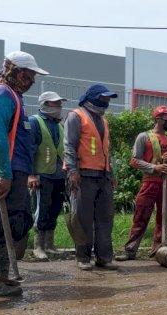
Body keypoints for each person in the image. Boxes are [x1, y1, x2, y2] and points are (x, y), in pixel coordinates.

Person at [0, 51, 48, 296]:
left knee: (19, 219)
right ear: (16, 71)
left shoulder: (13, 95)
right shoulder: (1, 93)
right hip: (3, 168)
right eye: (30, 74)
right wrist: (3, 174)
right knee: (5, 219)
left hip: (16, 167)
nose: (32, 80)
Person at [63, 84, 119, 271]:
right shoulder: (76, 116)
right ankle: (83, 257)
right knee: (82, 218)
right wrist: (72, 170)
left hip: (102, 176)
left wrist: (110, 173)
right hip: (82, 175)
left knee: (105, 217)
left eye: (108, 99)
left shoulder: (103, 121)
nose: (107, 102)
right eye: (104, 98)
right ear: (93, 97)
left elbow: (106, 151)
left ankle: (104, 257)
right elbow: (69, 146)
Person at [116, 106, 167, 261]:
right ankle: (130, 250)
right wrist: (154, 167)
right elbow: (135, 160)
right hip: (150, 182)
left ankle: (158, 251)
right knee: (141, 215)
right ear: (158, 119)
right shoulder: (144, 137)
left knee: (165, 217)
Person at [28, 91, 68, 260]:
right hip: (42, 174)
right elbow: (29, 150)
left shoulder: (59, 124)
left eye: (60, 103)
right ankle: (38, 246)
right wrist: (31, 175)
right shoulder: (34, 122)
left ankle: (50, 244)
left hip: (59, 175)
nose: (59, 107)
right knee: (41, 210)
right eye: (55, 104)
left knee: (54, 209)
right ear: (44, 105)